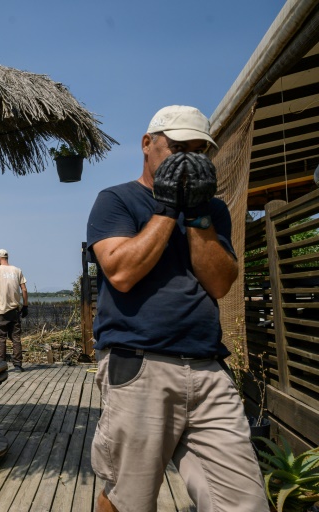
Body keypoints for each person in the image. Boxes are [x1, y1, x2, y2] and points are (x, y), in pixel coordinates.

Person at [86, 105, 268, 512]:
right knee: (128, 498)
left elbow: (220, 283)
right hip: (139, 366)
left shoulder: (214, 211)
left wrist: (199, 215)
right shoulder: (116, 200)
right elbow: (121, 272)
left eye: (198, 151)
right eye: (178, 147)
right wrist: (167, 208)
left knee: (245, 502)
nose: (188, 159)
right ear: (147, 145)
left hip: (208, 370)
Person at [0, 249, 29, 371]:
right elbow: (24, 290)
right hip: (15, 310)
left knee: (1, 339)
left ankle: (1, 365)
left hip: (1, 310)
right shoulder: (17, 270)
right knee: (16, 338)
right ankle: (18, 365)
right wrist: (25, 306)